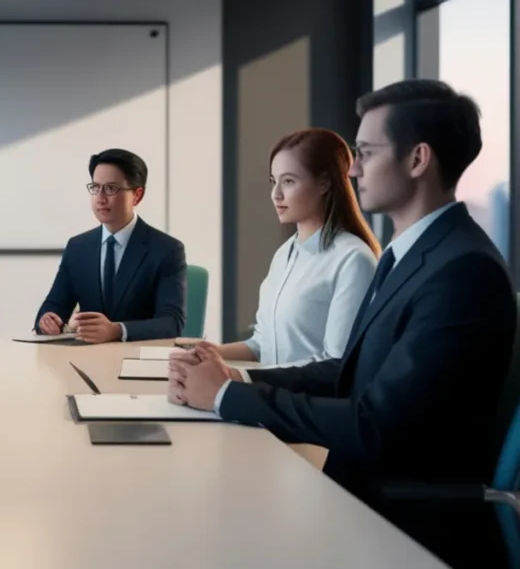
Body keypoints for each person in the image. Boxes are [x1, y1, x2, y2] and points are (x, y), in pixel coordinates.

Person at [169, 80, 516, 567]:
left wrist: (228, 398)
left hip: (396, 519)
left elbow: (378, 424)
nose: (352, 169)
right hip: (355, 489)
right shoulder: (412, 256)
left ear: (418, 160)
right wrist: (233, 379)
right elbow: (347, 372)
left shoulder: (462, 271)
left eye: (367, 153)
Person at [211, 128, 379, 365]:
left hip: (305, 400)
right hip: (269, 395)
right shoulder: (285, 254)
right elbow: (262, 345)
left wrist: (243, 377)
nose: (275, 194)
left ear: (324, 183)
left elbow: (336, 363)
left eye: (288, 181)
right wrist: (208, 353)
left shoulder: (353, 260)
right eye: (273, 181)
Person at [34, 149, 186, 343]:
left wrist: (117, 330)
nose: (100, 198)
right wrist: (48, 320)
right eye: (95, 187)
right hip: (85, 360)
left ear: (137, 195)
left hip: (138, 361)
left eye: (111, 188)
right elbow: (52, 307)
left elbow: (172, 323)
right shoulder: (78, 247)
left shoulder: (167, 250)